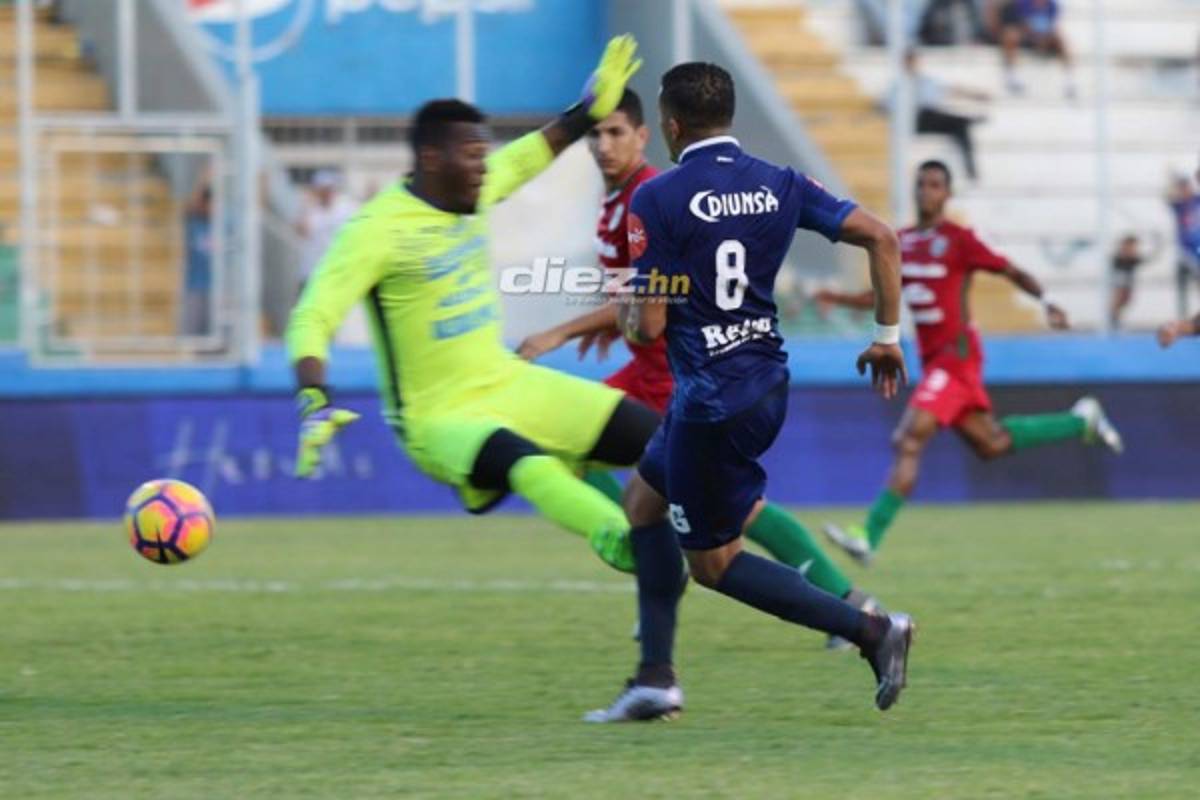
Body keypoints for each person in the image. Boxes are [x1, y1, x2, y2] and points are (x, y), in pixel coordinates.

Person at [286, 37, 690, 719]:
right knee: (529, 465)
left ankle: (657, 671)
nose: (484, 167)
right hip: (440, 418)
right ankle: (618, 542)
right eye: (472, 156)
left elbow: (538, 148)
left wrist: (589, 107)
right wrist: (313, 397)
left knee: (665, 445)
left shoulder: (473, 189)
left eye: (482, 155)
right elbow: (312, 315)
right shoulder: (377, 229)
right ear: (431, 158)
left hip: (505, 381)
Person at [586, 62, 916, 722]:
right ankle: (655, 676)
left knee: (715, 565)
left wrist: (624, 303)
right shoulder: (780, 182)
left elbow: (648, 322)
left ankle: (871, 629)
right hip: (759, 381)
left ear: (672, 126)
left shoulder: (658, 198)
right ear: (727, 116)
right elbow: (880, 236)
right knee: (643, 501)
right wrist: (886, 337)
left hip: (714, 404)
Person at [517, 88, 882, 652]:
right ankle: (836, 604)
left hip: (680, 373)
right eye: (595, 134)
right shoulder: (619, 202)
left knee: (721, 512)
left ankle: (840, 606)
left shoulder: (649, 194)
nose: (603, 145)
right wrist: (609, 323)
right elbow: (655, 289)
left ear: (648, 134)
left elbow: (659, 301)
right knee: (642, 484)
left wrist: (563, 331)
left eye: (616, 132)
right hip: (663, 367)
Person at [816, 161, 1123, 567]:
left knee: (908, 438)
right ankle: (1080, 420)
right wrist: (836, 298)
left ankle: (868, 535)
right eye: (921, 183)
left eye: (935, 185)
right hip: (936, 362)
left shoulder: (960, 240)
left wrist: (1047, 302)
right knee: (989, 443)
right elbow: (880, 293)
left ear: (947, 194)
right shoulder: (901, 241)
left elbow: (1009, 270)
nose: (926, 191)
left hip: (955, 357)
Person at [893, 50, 989, 181]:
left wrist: (976, 95)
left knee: (959, 127)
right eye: (909, 62)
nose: (912, 65)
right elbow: (886, 106)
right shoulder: (897, 85)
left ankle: (970, 168)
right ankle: (969, 119)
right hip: (914, 120)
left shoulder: (927, 81)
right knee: (939, 116)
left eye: (914, 61)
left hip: (932, 118)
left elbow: (952, 89)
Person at [998, 0, 1075, 98]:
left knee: (1061, 39)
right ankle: (1011, 75)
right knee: (1011, 35)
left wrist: (1044, 38)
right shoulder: (1022, 3)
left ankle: (1069, 79)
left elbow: (1052, 26)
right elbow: (1022, 24)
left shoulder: (1052, 6)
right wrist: (1035, 37)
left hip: (1043, 38)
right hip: (1027, 37)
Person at [296, 169, 357, 291]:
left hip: (336, 272)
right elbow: (302, 230)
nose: (327, 193)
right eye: (323, 189)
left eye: (329, 189)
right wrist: (307, 206)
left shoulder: (346, 207)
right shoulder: (312, 210)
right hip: (312, 271)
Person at [1167, 168, 1200, 319]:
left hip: (1197, 250)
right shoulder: (1180, 205)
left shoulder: (1197, 200)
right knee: (1182, 287)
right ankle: (1183, 318)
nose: (1184, 190)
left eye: (1186, 187)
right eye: (1182, 188)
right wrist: (1171, 178)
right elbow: (1168, 196)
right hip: (1184, 252)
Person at [1108, 233, 1159, 330]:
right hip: (1120, 285)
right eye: (1131, 247)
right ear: (1124, 246)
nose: (1134, 250)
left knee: (1125, 301)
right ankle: (1113, 320)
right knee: (1118, 300)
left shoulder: (1133, 259)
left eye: (1134, 248)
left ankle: (1115, 320)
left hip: (1127, 285)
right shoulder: (1117, 259)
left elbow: (1151, 257)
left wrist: (1157, 243)